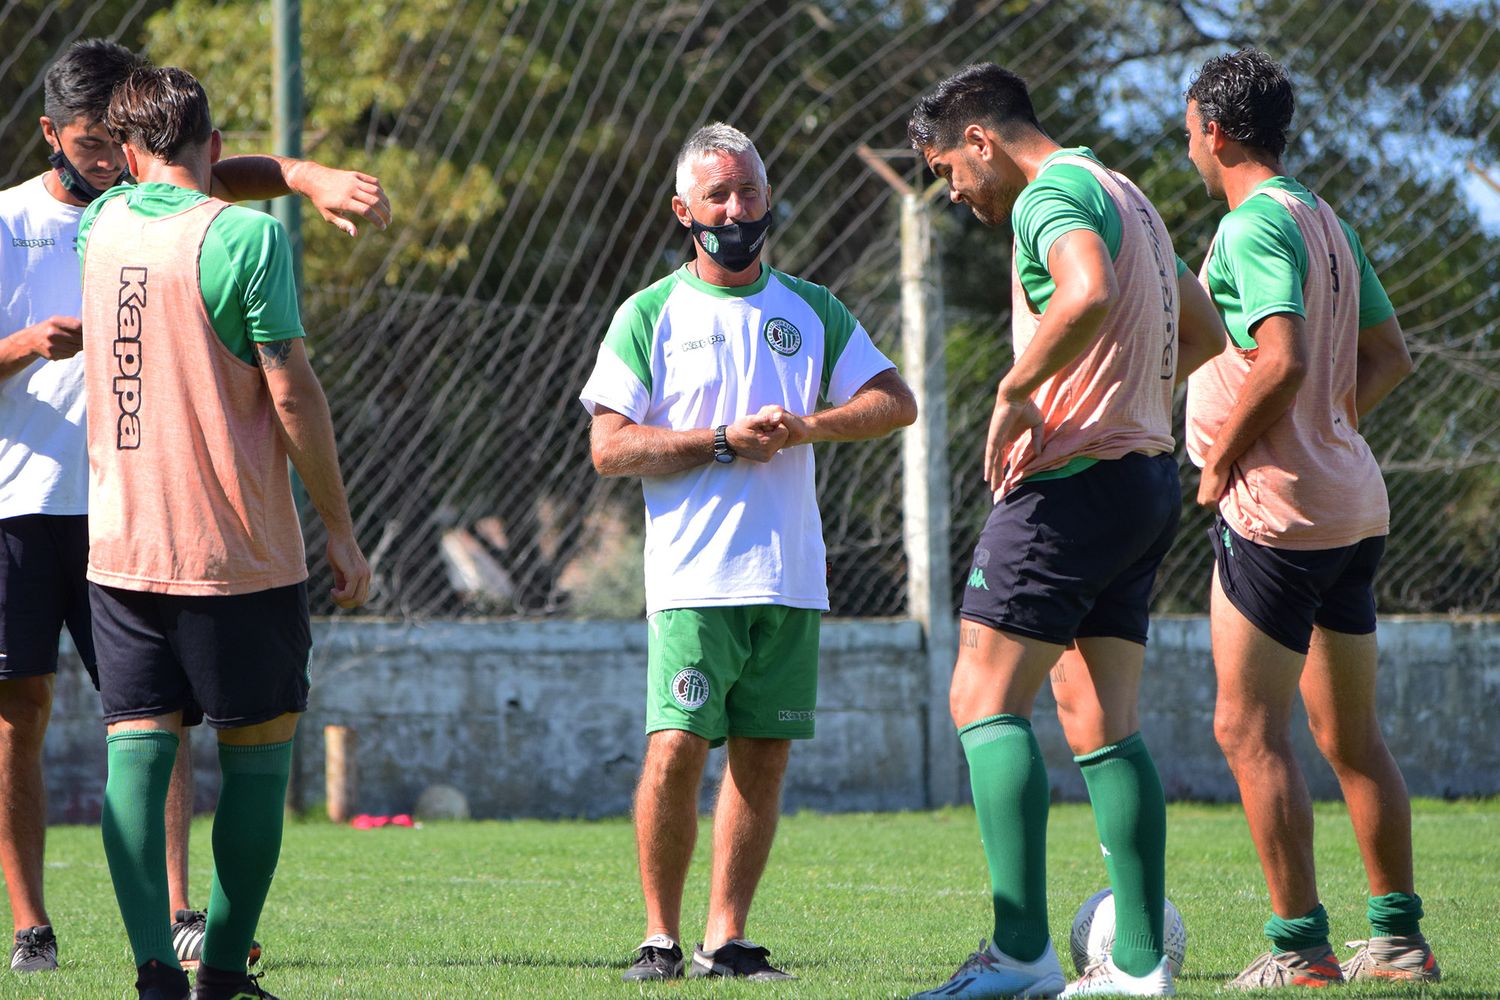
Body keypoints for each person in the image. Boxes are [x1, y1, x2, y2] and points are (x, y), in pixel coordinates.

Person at [0, 38, 387, 977]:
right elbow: (292, 394)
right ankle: (216, 964)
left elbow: (174, 179)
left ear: (127, 158)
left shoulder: (104, 230)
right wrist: (339, 528)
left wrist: (293, 173)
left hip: (120, 552)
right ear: (213, 141)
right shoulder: (246, 238)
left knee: (136, 755)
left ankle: (152, 968)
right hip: (234, 552)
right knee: (253, 762)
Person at [905, 64, 1224, 999]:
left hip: (1069, 490)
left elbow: (1082, 292)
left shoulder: (1051, 196)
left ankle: (1019, 956)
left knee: (982, 701)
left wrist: (1018, 393)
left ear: (981, 140)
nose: (952, 193)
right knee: (1101, 723)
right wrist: (1121, 400)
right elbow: (1201, 331)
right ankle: (1135, 971)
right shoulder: (1126, 192)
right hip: (1142, 482)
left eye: (945, 170)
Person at [580, 122, 916, 983]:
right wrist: (723, 440)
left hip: (791, 580)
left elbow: (895, 402)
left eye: (750, 192)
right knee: (676, 748)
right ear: (682, 210)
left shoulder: (811, 309)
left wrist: (811, 424)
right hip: (694, 580)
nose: (737, 210)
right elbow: (610, 447)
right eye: (719, 195)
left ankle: (725, 938)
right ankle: (659, 935)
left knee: (763, 759)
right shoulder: (650, 312)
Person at [1182, 49, 1437, 989]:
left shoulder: (1251, 225)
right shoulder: (1323, 219)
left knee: (1247, 731)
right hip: (1350, 503)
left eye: (1188, 128)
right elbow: (1391, 354)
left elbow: (1280, 357)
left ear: (1214, 126)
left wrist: (1218, 462)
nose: (1188, 145)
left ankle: (1300, 951)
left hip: (1278, 516)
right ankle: (1400, 943)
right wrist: (1333, 427)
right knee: (1351, 737)